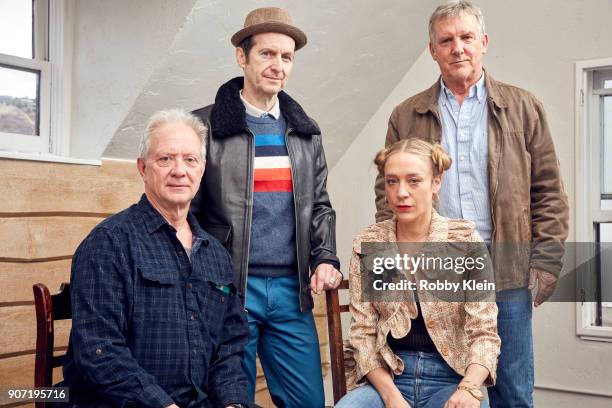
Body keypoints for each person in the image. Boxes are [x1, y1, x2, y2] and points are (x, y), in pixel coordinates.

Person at [374, 2, 569, 406]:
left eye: (466, 38)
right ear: (432, 49)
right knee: (446, 386)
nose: (457, 48)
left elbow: (548, 190)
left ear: (483, 42)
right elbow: (388, 195)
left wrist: (547, 259)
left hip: (506, 268)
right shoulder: (406, 114)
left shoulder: (524, 107)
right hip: (433, 271)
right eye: (446, 40)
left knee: (511, 390)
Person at [190, 7, 341, 407]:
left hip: (293, 293)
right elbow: (187, 213)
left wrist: (326, 257)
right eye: (267, 54)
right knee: (229, 400)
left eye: (286, 57)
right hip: (230, 289)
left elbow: (321, 206)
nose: (278, 66)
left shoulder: (306, 133)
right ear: (243, 57)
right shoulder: (202, 129)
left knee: (308, 401)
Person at [63, 110, 249, 408]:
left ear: (202, 169)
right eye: (165, 159)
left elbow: (229, 347)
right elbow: (100, 351)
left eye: (190, 160)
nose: (179, 170)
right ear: (142, 168)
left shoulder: (216, 255)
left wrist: (232, 403)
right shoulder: (108, 244)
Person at [338, 139, 500, 408]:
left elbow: (484, 333)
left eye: (414, 181)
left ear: (436, 182)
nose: (401, 192)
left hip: (451, 380)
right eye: (392, 181)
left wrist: (469, 389)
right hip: (389, 377)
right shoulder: (372, 245)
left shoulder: (463, 241)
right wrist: (392, 399)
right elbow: (363, 334)